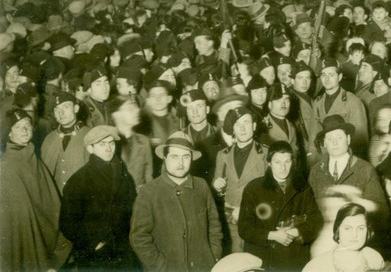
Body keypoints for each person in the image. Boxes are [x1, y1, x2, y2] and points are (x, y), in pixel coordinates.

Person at [130, 131, 224, 272]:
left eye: (186, 157)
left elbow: (214, 226)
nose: (180, 163)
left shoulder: (201, 186)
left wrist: (213, 255)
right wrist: (160, 266)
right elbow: (139, 237)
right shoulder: (149, 192)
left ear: (192, 159)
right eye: (174, 157)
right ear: (165, 158)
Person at [0, 108, 72, 271]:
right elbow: (20, 220)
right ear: (9, 134)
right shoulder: (8, 166)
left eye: (26, 124)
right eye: (18, 127)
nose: (25, 130)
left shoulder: (32, 156)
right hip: (29, 243)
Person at [59, 124, 139, 270]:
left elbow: (133, 208)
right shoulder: (78, 180)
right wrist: (94, 244)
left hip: (124, 250)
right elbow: (68, 224)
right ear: (90, 148)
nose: (108, 148)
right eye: (102, 144)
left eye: (111, 143)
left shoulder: (123, 173)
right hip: (96, 258)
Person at [237, 140, 322, 270]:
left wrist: (296, 232)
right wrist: (272, 235)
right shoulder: (254, 188)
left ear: (292, 162)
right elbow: (244, 228)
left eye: (287, 162)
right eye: (277, 162)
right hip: (263, 258)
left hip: (293, 258)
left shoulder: (303, 187)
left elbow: (316, 220)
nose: (283, 167)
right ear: (269, 163)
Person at [214, 104, 267, 253]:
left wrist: (246, 210)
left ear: (254, 126)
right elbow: (219, 188)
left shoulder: (266, 154)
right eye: (237, 124)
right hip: (231, 223)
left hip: (258, 219)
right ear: (232, 129)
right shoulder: (222, 155)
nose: (242, 129)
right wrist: (217, 186)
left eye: (246, 123)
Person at [303, 202, 384, 272]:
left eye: (361, 228)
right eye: (347, 228)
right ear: (338, 230)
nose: (354, 234)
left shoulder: (375, 259)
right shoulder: (316, 267)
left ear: (368, 231)